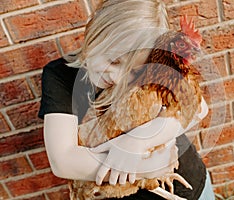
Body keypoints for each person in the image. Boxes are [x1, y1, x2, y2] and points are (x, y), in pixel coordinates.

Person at [39, 0, 215, 199]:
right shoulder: (60, 77)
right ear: (95, 34)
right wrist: (148, 168)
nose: (117, 77)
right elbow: (63, 162)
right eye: (113, 61)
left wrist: (135, 142)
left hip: (188, 187)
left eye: (133, 71)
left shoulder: (154, 64)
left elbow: (198, 108)